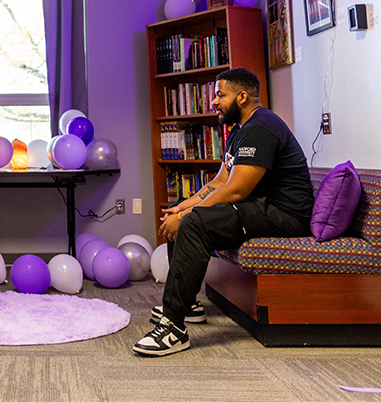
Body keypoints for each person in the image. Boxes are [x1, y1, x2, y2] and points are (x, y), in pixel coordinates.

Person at [134, 68, 314, 357]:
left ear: (242, 97)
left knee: (192, 224)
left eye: (220, 95)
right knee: (185, 212)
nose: (214, 102)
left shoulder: (261, 128)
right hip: (261, 206)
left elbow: (236, 191)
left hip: (284, 215)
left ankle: (174, 327)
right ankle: (188, 303)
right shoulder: (240, 129)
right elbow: (220, 181)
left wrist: (185, 218)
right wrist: (181, 207)